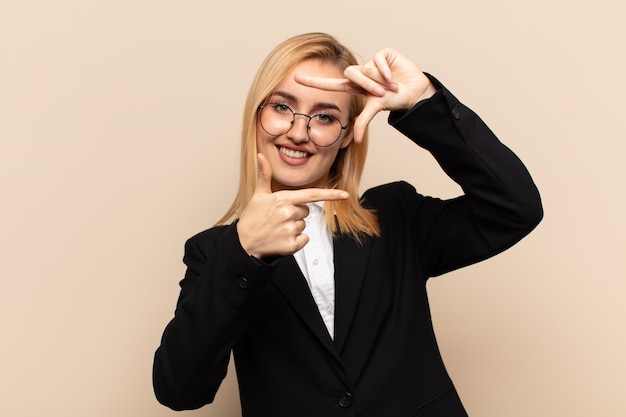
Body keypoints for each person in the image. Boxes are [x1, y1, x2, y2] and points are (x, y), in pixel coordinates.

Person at [152, 32, 542, 417]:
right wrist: (244, 250)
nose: (299, 132)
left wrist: (424, 101)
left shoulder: (395, 216)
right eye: (282, 107)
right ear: (256, 117)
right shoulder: (215, 252)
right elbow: (179, 389)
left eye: (325, 117)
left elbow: (515, 208)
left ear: (345, 136)